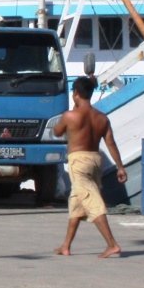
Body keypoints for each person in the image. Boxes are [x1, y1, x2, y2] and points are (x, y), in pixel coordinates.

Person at [54, 76, 127, 256]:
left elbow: (57, 132)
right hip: (95, 160)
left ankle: (112, 244)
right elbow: (111, 143)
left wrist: (71, 113)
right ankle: (66, 245)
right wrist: (120, 167)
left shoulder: (70, 116)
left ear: (76, 94)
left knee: (92, 201)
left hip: (78, 161)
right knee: (78, 202)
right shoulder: (102, 118)